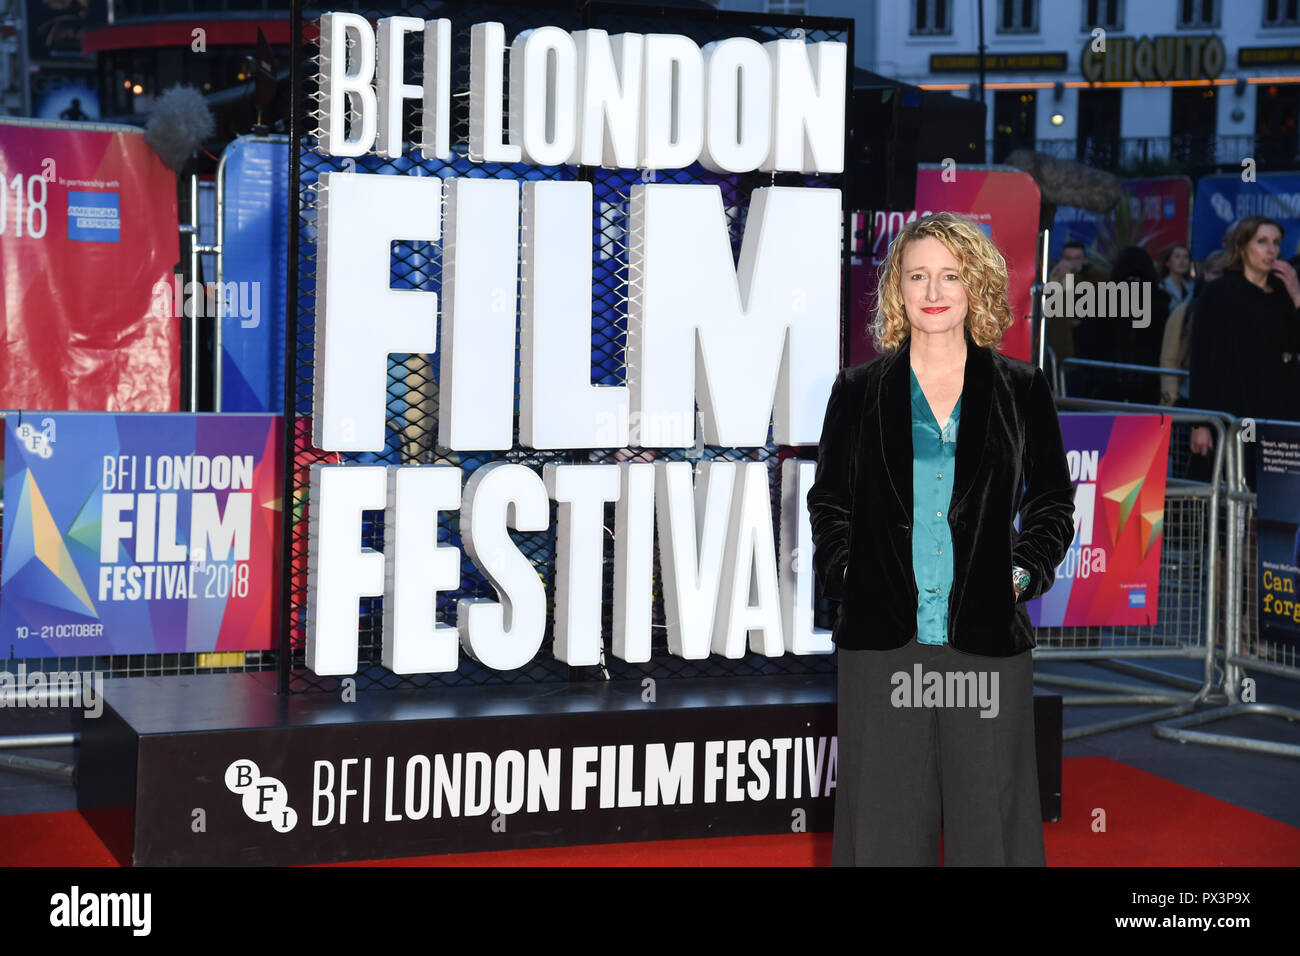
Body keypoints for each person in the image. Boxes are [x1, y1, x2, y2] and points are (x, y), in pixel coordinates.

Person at [807, 212, 1077, 866]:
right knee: (882, 831)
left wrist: (1020, 576)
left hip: (984, 640)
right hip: (883, 642)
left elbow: (1052, 504)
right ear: (897, 290)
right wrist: (849, 577)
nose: (933, 289)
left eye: (950, 275)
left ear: (975, 286)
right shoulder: (860, 389)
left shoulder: (1020, 389)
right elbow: (830, 503)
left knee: (994, 827)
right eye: (918, 274)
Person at [1188, 216, 1300, 487]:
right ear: (1242, 247)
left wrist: (1297, 296)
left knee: (1273, 500)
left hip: (1278, 414)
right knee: (1230, 495)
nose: (1271, 250)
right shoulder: (1218, 293)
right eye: (1262, 242)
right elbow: (1202, 357)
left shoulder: (1282, 295)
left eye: (1276, 243)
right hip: (1231, 411)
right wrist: (1200, 422)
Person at [1159, 250, 1225, 407]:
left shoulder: (1244, 309)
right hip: (1190, 395)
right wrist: (1170, 399)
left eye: (1227, 273)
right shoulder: (1186, 309)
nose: (1222, 279)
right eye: (1217, 273)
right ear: (1206, 275)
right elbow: (1169, 357)